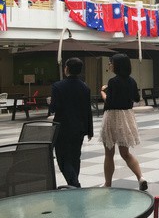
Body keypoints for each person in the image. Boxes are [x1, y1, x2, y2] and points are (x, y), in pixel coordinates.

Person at [99, 53, 147, 191]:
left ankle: (108, 183)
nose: (110, 65)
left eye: (111, 63)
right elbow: (136, 98)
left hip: (112, 117)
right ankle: (140, 177)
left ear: (117, 65)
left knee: (109, 154)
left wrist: (103, 92)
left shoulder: (112, 82)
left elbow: (109, 101)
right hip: (127, 117)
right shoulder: (132, 81)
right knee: (125, 153)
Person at [49, 57, 93, 188]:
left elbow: (54, 108)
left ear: (66, 69)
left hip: (62, 128)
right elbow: (87, 110)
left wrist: (50, 103)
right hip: (79, 128)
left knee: (63, 159)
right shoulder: (85, 87)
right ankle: (73, 183)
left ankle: (74, 184)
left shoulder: (58, 86)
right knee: (75, 157)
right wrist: (89, 130)